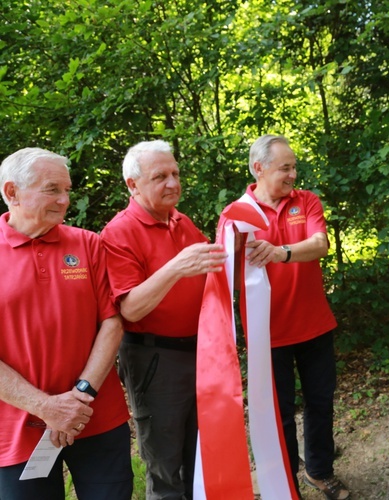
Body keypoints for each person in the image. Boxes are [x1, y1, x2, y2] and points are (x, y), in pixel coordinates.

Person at [0, 147, 133, 499]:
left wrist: (81, 396)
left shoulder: (88, 244)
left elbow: (112, 322)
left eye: (67, 190)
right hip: (17, 429)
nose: (64, 200)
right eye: (52, 189)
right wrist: (47, 407)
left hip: (96, 417)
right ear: (11, 192)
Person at [222, 134, 348, 499]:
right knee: (278, 414)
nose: (293, 174)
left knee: (321, 403)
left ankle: (320, 472)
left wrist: (280, 252)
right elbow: (224, 275)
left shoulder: (305, 201)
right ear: (259, 169)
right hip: (267, 334)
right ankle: (285, 483)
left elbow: (320, 244)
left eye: (294, 166)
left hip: (314, 326)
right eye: (285, 168)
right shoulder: (236, 215)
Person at [100, 140, 227, 499]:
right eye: (160, 176)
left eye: (175, 173)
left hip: (200, 355)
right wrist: (175, 268)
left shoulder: (180, 220)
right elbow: (130, 309)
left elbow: (216, 263)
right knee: (166, 465)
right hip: (155, 360)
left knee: (200, 455)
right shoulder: (118, 232)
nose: (172, 183)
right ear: (133, 185)